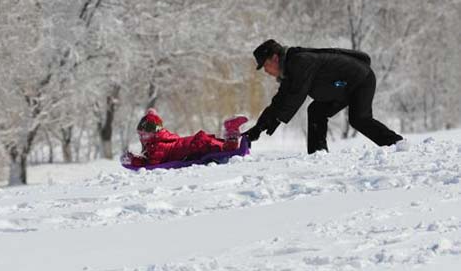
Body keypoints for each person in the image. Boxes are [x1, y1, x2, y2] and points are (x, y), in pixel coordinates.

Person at [246, 39, 403, 154]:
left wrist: (276, 119)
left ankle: (396, 143)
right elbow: (280, 100)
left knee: (359, 119)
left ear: (275, 58)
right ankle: (318, 154)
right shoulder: (291, 68)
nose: (266, 71)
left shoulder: (300, 62)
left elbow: (295, 96)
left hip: (361, 80)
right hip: (342, 86)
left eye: (265, 65)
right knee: (316, 110)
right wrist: (259, 127)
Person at [121, 109, 247, 167]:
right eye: (140, 134)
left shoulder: (157, 146)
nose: (142, 138)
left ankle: (231, 129)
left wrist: (133, 160)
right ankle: (232, 130)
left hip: (194, 147)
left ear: (155, 133)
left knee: (226, 151)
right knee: (221, 146)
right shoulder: (164, 139)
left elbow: (152, 163)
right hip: (195, 142)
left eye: (145, 134)